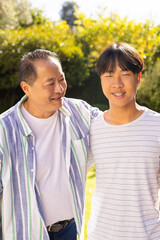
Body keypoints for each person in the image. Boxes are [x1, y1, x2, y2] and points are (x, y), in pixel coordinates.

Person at [0, 49, 99, 240]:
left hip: (70, 230)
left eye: (61, 79)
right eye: (50, 83)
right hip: (25, 234)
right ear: (26, 88)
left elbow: (116, 128)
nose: (60, 89)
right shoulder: (4, 130)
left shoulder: (80, 112)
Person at [87, 42, 160, 240]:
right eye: (109, 75)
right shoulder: (92, 128)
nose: (117, 83)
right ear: (101, 79)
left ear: (138, 77)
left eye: (125, 74)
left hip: (149, 235)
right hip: (101, 235)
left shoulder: (157, 126)